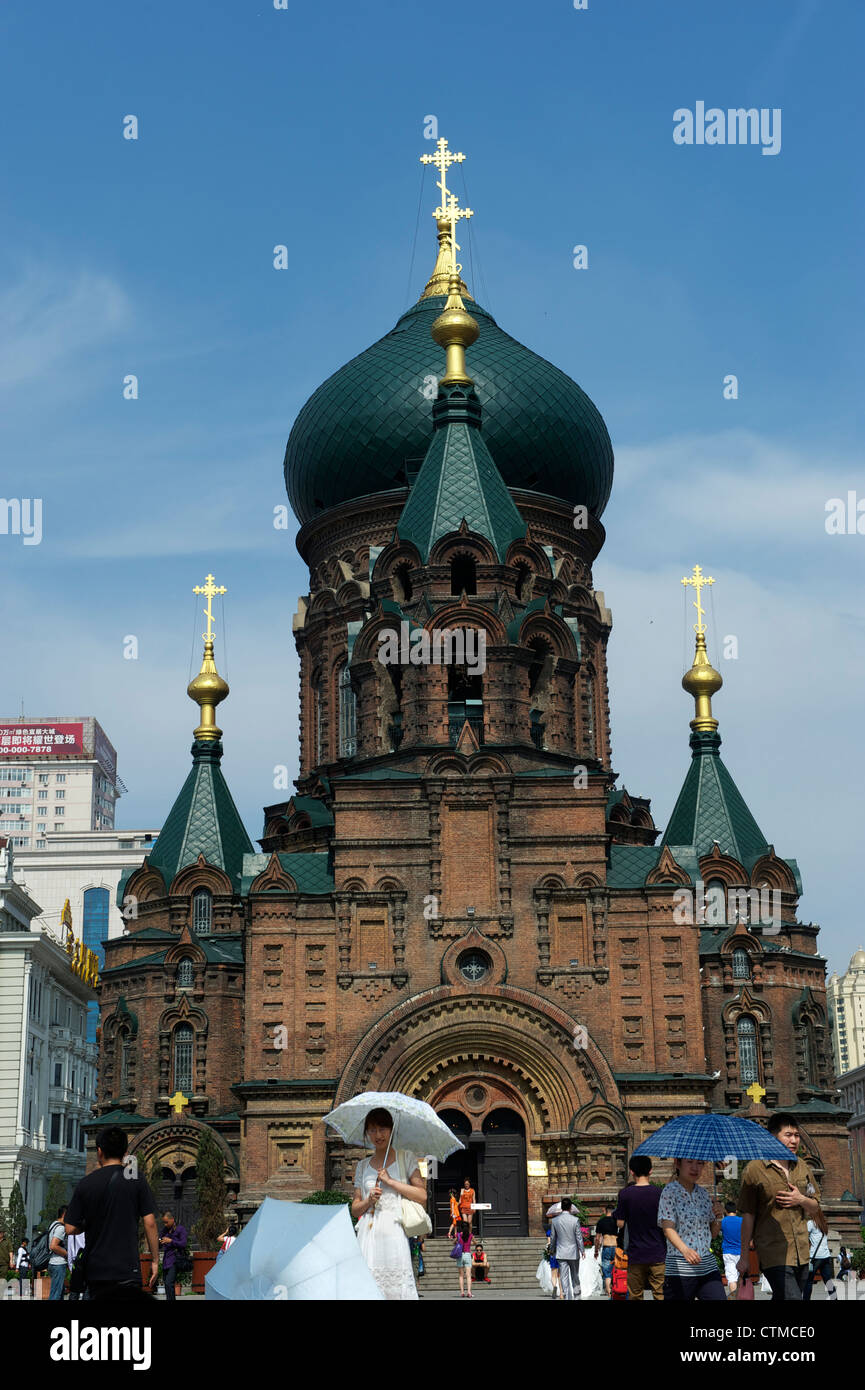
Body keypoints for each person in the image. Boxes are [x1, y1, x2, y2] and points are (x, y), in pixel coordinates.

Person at [64, 1124, 160, 1300]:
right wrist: (155, 1260)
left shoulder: (86, 1183)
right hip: (127, 1268)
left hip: (97, 1271)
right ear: (125, 1152)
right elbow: (150, 1223)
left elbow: (69, 1228)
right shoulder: (136, 1178)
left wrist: (90, 1222)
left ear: (99, 1151)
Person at [736, 1112, 821, 1301]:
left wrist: (800, 1199)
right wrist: (744, 1257)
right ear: (772, 1137)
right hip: (773, 1251)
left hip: (801, 1252)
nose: (794, 1140)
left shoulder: (802, 1167)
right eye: (788, 1135)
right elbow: (748, 1215)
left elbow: (815, 1206)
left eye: (796, 1135)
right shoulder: (755, 1169)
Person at [350, 1106, 425, 1300]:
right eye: (372, 1130)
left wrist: (391, 1182)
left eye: (382, 1129)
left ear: (391, 1130)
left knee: (395, 1288)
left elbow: (422, 1195)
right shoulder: (362, 1166)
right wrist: (368, 1200)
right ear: (367, 1133)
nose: (378, 1135)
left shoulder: (405, 1158)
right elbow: (355, 1209)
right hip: (368, 1234)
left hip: (394, 1232)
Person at [658, 1157, 725, 1301]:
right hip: (680, 1269)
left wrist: (719, 1217)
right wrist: (685, 1250)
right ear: (678, 1163)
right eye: (689, 1162)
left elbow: (713, 1234)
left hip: (707, 1267)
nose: (695, 1168)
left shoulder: (703, 1194)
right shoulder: (669, 1192)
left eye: (700, 1163)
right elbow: (668, 1228)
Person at [613, 1156, 666, 1301]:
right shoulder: (660, 1193)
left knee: (635, 1295)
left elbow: (620, 1224)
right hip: (658, 1251)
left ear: (631, 1172)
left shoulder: (625, 1194)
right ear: (651, 1171)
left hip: (636, 1253)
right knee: (660, 1294)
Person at [550, 1196, 584, 1300]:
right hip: (573, 1252)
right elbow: (579, 1237)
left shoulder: (555, 1220)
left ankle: (566, 1297)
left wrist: (552, 1250)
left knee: (564, 1278)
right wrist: (582, 1250)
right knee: (575, 1276)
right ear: (570, 1207)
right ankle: (577, 1297)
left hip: (561, 1252)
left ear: (561, 1207)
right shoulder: (575, 1220)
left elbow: (553, 1237)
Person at [803, 1218, 836, 1301]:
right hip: (826, 1256)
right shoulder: (823, 1223)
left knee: (809, 1281)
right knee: (828, 1281)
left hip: (815, 1257)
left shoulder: (811, 1223)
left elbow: (803, 1236)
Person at [159, 1212, 188, 1300]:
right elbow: (160, 1240)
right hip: (166, 1261)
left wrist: (171, 1241)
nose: (165, 1224)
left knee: (169, 1283)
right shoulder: (165, 1230)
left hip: (174, 1260)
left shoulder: (180, 1229)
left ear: (172, 1220)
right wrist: (159, 1241)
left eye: (166, 1222)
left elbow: (183, 1244)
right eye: (164, 1222)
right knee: (166, 1284)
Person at [595, 1204, 618, 1296]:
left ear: (605, 1211)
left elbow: (597, 1238)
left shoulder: (601, 1221)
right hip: (616, 1247)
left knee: (607, 1271)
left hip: (607, 1247)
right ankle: (617, 1288)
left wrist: (596, 1250)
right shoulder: (617, 1220)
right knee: (617, 1269)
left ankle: (608, 1291)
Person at [720, 1201, 743, 1298]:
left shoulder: (723, 1221)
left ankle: (735, 1298)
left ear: (725, 1211)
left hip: (728, 1252)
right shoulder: (742, 1221)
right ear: (736, 1210)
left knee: (731, 1278)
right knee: (741, 1277)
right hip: (741, 1252)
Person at [48, 1205, 68, 1300]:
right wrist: (67, 1254)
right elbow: (53, 1246)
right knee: (56, 1295)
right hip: (58, 1263)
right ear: (64, 1214)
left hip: (52, 1262)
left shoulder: (53, 1225)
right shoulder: (61, 1228)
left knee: (58, 1294)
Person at [454, 1222, 474, 1297]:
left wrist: (457, 1242)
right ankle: (469, 1292)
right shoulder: (470, 1235)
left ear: (461, 1228)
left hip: (460, 1255)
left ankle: (462, 1292)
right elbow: (475, 1243)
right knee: (468, 1275)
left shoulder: (458, 1235)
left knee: (461, 1275)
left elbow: (454, 1242)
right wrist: (470, 1243)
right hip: (467, 1255)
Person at [67, 1231, 88, 1300]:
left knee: (74, 1291)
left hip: (76, 1263)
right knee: (87, 1290)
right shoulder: (89, 1230)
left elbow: (69, 1250)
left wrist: (70, 1267)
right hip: (88, 1261)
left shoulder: (72, 1232)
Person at [545, 1223, 562, 1299]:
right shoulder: (561, 1230)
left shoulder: (549, 1231)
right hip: (561, 1253)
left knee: (553, 1274)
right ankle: (561, 1293)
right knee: (560, 1274)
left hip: (553, 1253)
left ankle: (554, 1286)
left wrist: (548, 1251)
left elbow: (549, 1244)